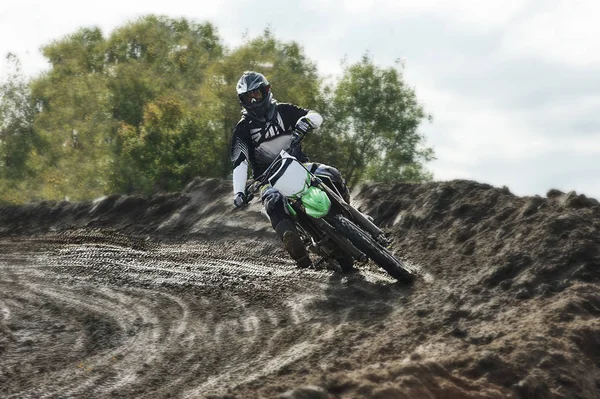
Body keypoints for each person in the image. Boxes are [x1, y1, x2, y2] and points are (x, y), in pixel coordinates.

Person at [230, 71, 350, 268]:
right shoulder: (242, 129)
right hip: (267, 181)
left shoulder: (284, 111)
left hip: (300, 165)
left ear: (266, 91)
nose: (253, 101)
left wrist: (307, 121)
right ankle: (302, 260)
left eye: (256, 95)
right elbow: (239, 162)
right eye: (247, 97)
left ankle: (349, 215)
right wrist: (239, 193)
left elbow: (315, 116)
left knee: (332, 174)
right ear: (242, 101)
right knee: (273, 202)